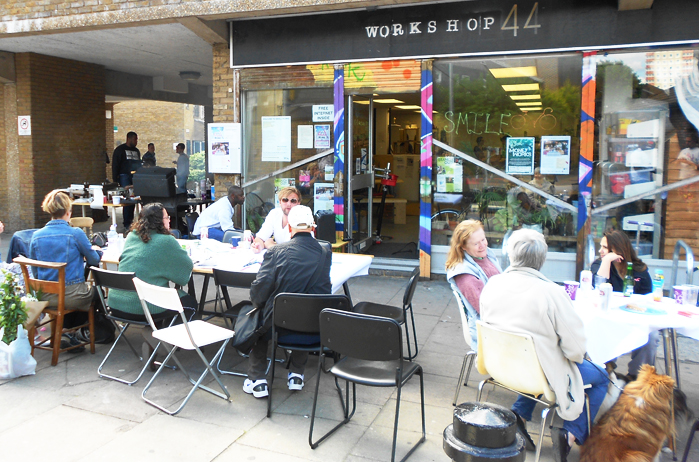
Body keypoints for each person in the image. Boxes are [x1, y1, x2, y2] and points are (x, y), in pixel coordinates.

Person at [480, 229, 608, 462]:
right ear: (543, 259)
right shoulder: (552, 293)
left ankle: (519, 414)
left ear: (511, 255)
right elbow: (576, 350)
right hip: (537, 372)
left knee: (536, 357)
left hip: (500, 366)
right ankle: (571, 433)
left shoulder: (493, 283)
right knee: (602, 375)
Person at [243, 205, 332, 398]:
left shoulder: (276, 252)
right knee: (308, 306)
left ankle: (257, 379)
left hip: (277, 325)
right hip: (313, 326)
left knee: (259, 313)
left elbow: (260, 289)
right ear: (313, 228)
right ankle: (297, 374)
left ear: (290, 229)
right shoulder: (326, 252)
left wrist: (258, 303)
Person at [107, 203, 197, 366]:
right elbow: (183, 274)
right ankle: (164, 342)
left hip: (116, 305)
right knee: (189, 303)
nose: (169, 220)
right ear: (159, 222)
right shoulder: (166, 241)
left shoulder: (132, 236)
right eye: (166, 218)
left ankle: (155, 334)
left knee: (164, 295)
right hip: (145, 307)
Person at [29, 190, 102, 350]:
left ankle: (66, 331)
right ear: (68, 212)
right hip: (72, 295)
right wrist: (94, 250)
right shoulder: (75, 233)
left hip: (45, 296)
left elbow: (35, 271)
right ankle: (70, 331)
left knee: (78, 295)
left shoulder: (36, 236)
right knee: (97, 294)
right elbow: (94, 260)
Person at [591, 229, 657, 378]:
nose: (600, 250)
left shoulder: (639, 269)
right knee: (601, 330)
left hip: (634, 319)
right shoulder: (599, 264)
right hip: (608, 318)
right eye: (601, 246)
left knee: (652, 336)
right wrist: (607, 260)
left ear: (618, 249)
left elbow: (648, 300)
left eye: (605, 248)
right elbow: (599, 288)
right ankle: (604, 372)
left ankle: (636, 377)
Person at [445, 220, 502, 348]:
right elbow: (485, 311)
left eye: (483, 239)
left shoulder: (485, 255)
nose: (483, 245)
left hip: (499, 316)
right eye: (476, 243)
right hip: (488, 330)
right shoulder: (465, 275)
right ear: (463, 247)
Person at [251, 186, 301, 252]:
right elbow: (260, 238)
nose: (289, 204)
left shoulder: (303, 218)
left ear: (298, 203)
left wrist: (270, 245)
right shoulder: (275, 213)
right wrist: (259, 245)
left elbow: (296, 250)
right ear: (280, 202)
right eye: (285, 200)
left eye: (293, 201)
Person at [112, 131, 141, 230]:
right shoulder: (120, 150)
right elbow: (115, 165)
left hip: (135, 177)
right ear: (129, 139)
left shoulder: (137, 151)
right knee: (127, 199)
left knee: (133, 199)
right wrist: (115, 179)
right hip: (124, 176)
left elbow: (139, 164)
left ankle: (131, 222)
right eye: (135, 139)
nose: (136, 141)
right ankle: (126, 224)